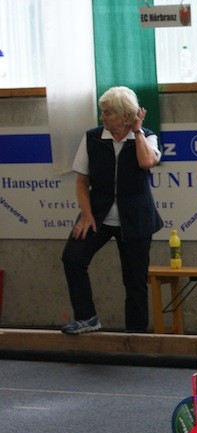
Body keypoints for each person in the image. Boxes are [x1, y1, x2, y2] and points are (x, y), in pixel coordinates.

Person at [61, 86, 163, 333]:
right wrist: (86, 215)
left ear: (126, 116)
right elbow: (82, 181)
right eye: (102, 112)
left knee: (135, 280)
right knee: (72, 258)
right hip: (97, 214)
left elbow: (147, 162)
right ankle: (87, 318)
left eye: (108, 113)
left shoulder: (146, 136)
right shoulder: (93, 138)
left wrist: (137, 130)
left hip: (135, 217)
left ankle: (136, 335)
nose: (102, 117)